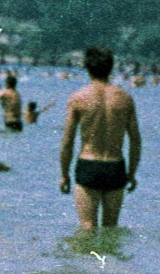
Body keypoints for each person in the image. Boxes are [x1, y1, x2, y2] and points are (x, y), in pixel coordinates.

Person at [59, 46, 142, 230]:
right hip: (115, 166)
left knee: (87, 228)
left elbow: (67, 141)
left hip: (89, 165)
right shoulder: (125, 98)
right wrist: (132, 173)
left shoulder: (78, 98)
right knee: (111, 228)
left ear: (87, 67)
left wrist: (64, 175)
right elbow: (135, 140)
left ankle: (85, 260)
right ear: (111, 67)